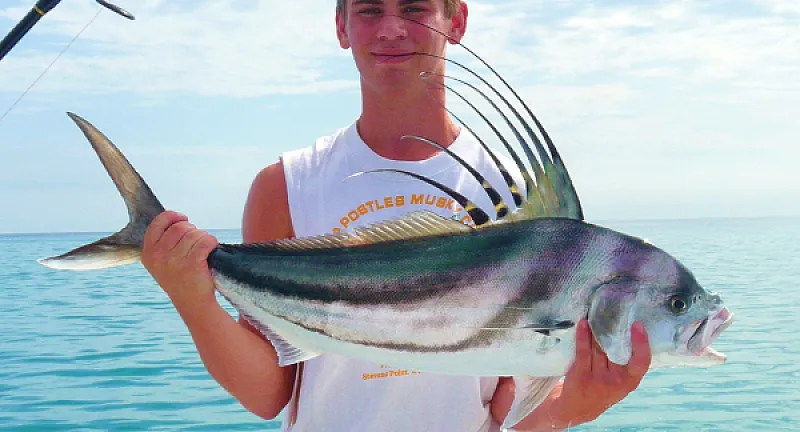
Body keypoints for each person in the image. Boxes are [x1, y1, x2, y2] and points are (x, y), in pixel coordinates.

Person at [140, 0, 652, 430]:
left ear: (457, 21)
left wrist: (579, 407)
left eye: (414, 7)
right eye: (368, 9)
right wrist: (194, 300)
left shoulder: (519, 200)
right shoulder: (287, 184)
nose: (390, 28)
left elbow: (515, 413)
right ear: (342, 27)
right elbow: (270, 392)